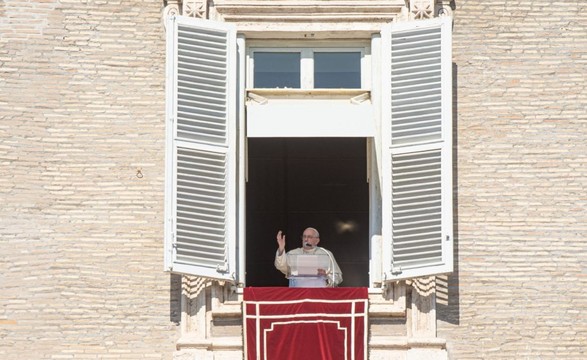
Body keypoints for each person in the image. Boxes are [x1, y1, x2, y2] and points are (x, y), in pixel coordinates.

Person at [274, 227, 343, 287]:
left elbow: (338, 277)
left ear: (317, 240)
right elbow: (280, 266)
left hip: (319, 294)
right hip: (298, 293)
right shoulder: (293, 254)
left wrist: (326, 276)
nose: (306, 239)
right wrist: (281, 249)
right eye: (304, 236)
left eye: (309, 237)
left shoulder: (326, 254)